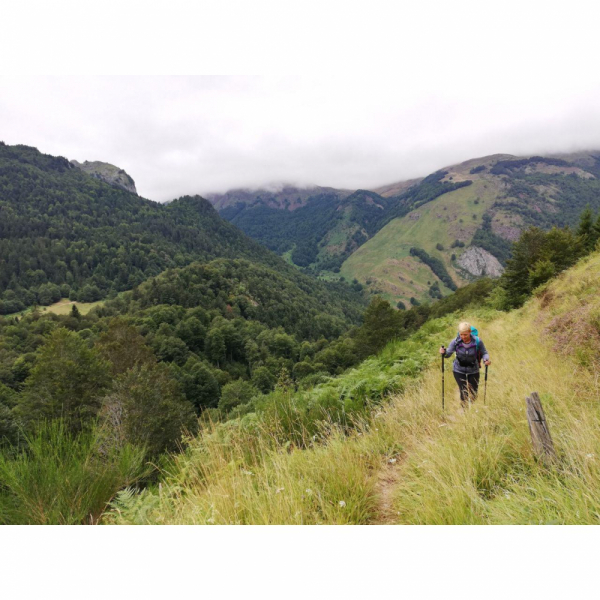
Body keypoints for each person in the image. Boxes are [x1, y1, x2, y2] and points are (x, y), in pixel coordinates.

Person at [439, 322, 491, 406]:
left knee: (473, 392)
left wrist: (486, 360)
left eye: (465, 334)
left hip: (473, 369)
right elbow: (448, 354)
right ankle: (465, 411)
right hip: (458, 369)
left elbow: (484, 352)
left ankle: (473, 409)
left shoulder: (477, 341)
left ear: (470, 332)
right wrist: (443, 352)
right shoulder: (455, 341)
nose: (463, 337)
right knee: (463, 391)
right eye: (461, 334)